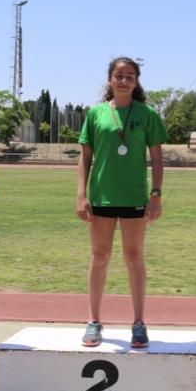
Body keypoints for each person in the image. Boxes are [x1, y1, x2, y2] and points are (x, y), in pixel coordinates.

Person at [76, 56, 166, 348]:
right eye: (119, 75)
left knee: (134, 257)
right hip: (102, 195)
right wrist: (81, 194)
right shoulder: (96, 114)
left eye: (129, 76)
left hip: (135, 197)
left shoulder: (147, 114)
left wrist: (156, 194)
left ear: (136, 81)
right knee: (100, 256)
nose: (123, 80)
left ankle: (139, 323)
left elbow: (157, 157)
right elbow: (85, 157)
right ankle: (93, 321)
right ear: (110, 80)